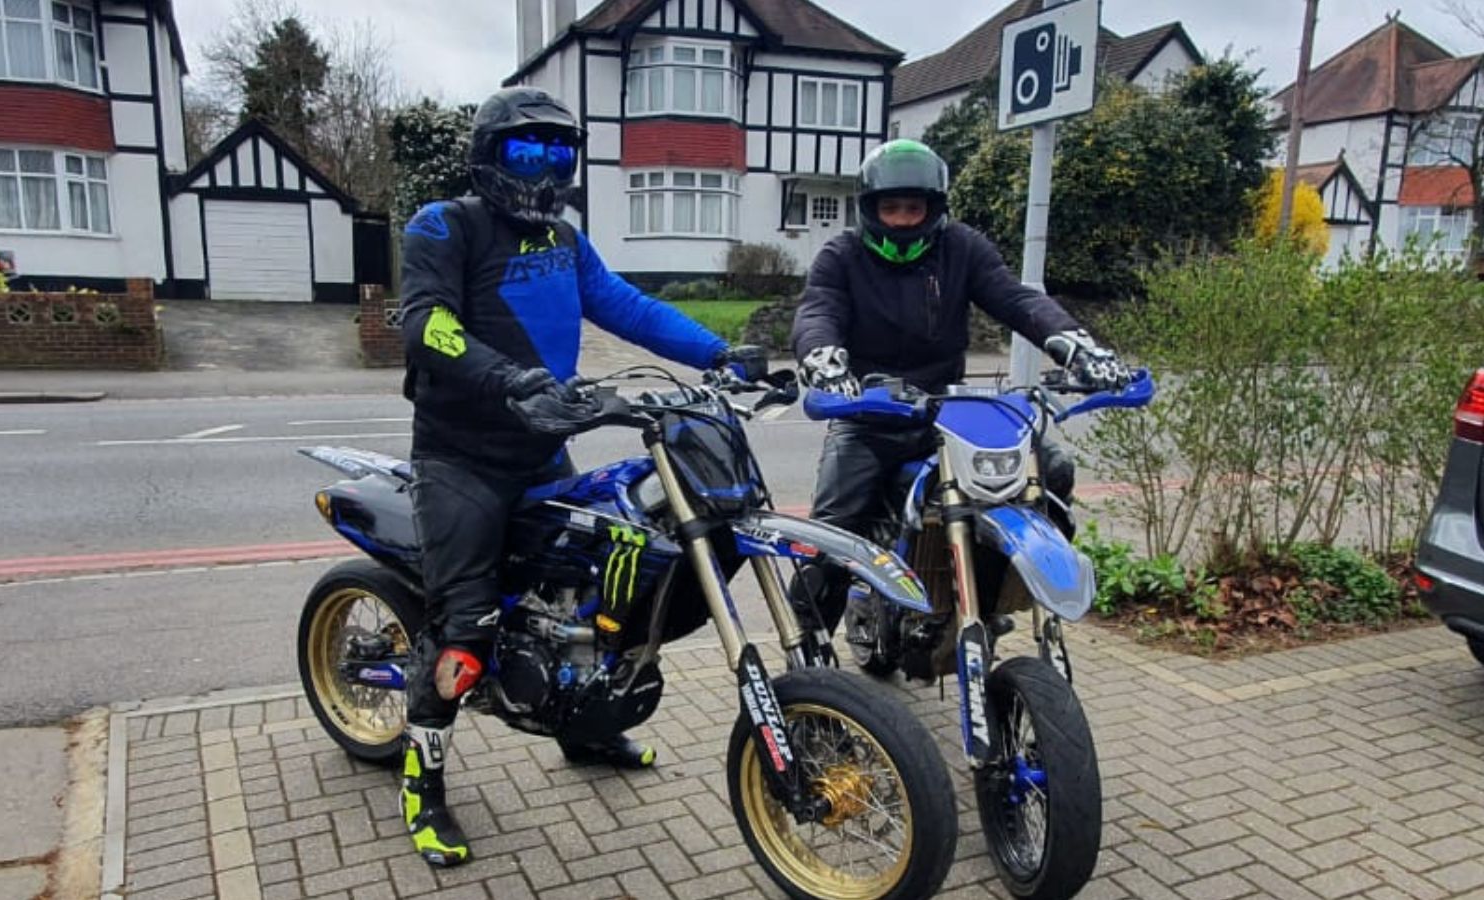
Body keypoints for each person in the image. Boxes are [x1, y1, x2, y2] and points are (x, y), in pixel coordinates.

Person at [397, 86, 762, 867]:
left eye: (559, 152)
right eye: (527, 150)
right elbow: (426, 323)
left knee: (598, 600)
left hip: (544, 450)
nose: (545, 166)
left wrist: (720, 354)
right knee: (465, 630)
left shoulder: (564, 238)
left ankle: (584, 728)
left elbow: (625, 305)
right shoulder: (444, 224)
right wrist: (509, 380)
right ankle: (422, 785)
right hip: (461, 461)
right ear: (489, 156)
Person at [790, 138, 1130, 631]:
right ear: (870, 208)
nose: (902, 220)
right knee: (833, 528)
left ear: (934, 209)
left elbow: (1016, 299)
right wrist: (823, 360)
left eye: (914, 208)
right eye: (891, 208)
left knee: (1049, 470)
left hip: (946, 412)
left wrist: (1077, 347)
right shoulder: (840, 256)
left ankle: (986, 603)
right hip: (868, 413)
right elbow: (818, 309)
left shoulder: (962, 248)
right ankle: (811, 642)